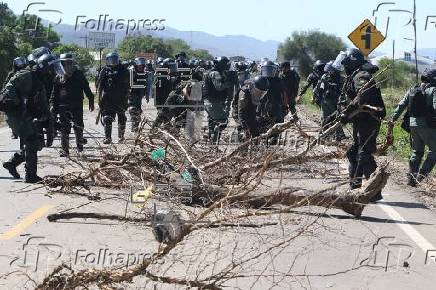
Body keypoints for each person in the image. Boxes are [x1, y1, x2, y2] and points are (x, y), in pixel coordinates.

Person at [1, 54, 65, 183]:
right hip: (15, 113)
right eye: (52, 67)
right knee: (32, 141)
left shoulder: (39, 81)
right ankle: (30, 175)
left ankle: (12, 163)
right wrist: (18, 103)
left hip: (24, 115)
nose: (54, 70)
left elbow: (43, 104)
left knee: (38, 142)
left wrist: (52, 121)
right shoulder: (27, 75)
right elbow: (9, 88)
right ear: (45, 67)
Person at [339, 48, 386, 202]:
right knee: (353, 153)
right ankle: (355, 189)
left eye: (346, 62)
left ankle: (374, 192)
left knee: (364, 154)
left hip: (369, 121)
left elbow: (361, 97)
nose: (344, 65)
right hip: (360, 121)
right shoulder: (354, 74)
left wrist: (346, 113)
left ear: (352, 62)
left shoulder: (362, 76)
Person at [391, 69, 436, 186]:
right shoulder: (434, 90)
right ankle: (420, 177)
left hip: (413, 124)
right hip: (428, 126)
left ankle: (411, 178)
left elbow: (401, 105)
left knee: (416, 151)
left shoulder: (413, 88)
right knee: (434, 151)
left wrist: (393, 119)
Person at [50, 53, 94, 156]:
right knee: (64, 127)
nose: (66, 65)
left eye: (68, 63)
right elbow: (54, 93)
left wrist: (91, 100)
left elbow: (86, 88)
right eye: (64, 63)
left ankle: (79, 145)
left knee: (78, 126)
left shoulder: (79, 74)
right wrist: (52, 104)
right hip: (63, 106)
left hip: (77, 104)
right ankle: (65, 150)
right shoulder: (58, 77)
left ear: (72, 63)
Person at [97, 52, 130, 144]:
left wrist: (127, 98)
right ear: (107, 61)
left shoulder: (124, 70)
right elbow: (99, 86)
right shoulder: (105, 71)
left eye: (114, 59)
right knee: (107, 118)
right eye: (111, 60)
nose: (113, 62)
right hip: (108, 99)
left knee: (122, 117)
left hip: (121, 99)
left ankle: (121, 137)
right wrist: (99, 99)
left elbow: (128, 86)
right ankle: (108, 138)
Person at [313, 61, 346, 141]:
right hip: (326, 101)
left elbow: (344, 91)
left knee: (336, 118)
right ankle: (324, 134)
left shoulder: (341, 78)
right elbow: (318, 88)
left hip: (336, 102)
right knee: (325, 118)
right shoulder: (325, 76)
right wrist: (316, 97)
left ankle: (339, 135)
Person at [203, 56, 233, 143]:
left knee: (212, 123)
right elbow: (219, 87)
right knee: (223, 121)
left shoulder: (214, 72)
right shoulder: (215, 73)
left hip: (211, 102)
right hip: (213, 102)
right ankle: (213, 141)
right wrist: (228, 82)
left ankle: (211, 143)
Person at [258, 60, 285, 144]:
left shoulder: (278, 81)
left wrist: (284, 105)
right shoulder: (261, 79)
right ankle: (266, 137)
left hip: (275, 105)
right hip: (264, 105)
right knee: (263, 121)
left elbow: (284, 94)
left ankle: (273, 138)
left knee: (277, 121)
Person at [3, 57, 28, 139]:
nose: (21, 64)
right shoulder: (11, 74)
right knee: (13, 115)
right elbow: (6, 85)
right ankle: (14, 132)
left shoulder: (27, 72)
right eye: (19, 63)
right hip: (14, 96)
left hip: (24, 94)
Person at [128, 57, 147, 132]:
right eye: (139, 65)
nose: (141, 67)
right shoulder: (132, 71)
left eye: (142, 65)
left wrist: (146, 93)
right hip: (132, 93)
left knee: (138, 110)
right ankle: (134, 126)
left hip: (139, 94)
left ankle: (135, 126)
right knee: (133, 109)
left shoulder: (143, 72)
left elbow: (145, 83)